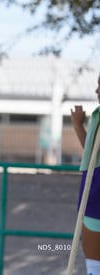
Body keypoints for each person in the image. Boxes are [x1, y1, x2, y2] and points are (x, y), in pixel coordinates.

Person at [71, 73, 100, 275]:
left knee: (94, 264)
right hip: (94, 185)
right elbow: (92, 155)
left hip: (96, 190)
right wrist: (78, 125)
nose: (97, 91)